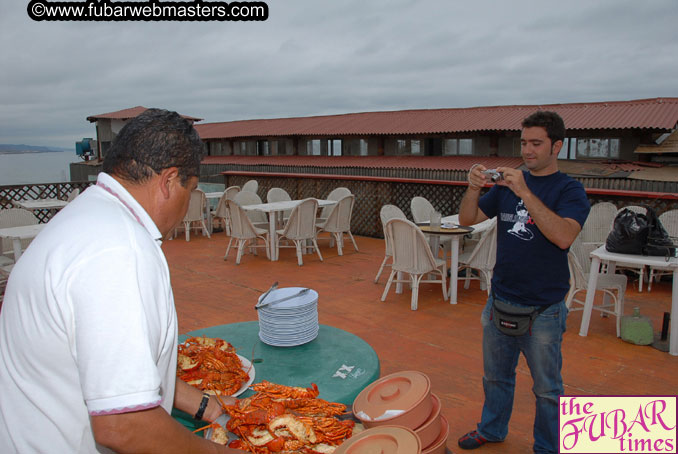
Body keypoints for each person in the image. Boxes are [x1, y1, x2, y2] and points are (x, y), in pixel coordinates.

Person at [0, 109, 242, 453]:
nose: (188, 205)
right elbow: (123, 427)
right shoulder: (119, 251)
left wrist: (206, 406)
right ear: (169, 182)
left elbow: (113, 369)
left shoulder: (88, 214)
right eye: (191, 190)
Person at [457, 111, 590, 453]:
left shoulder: (570, 190)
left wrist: (525, 192)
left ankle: (547, 446)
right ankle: (492, 429)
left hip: (544, 309)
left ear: (557, 146)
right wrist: (473, 188)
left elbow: (563, 237)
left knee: (547, 389)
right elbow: (467, 219)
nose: (527, 151)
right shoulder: (503, 186)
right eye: (524, 143)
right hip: (500, 298)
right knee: (496, 378)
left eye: (536, 143)